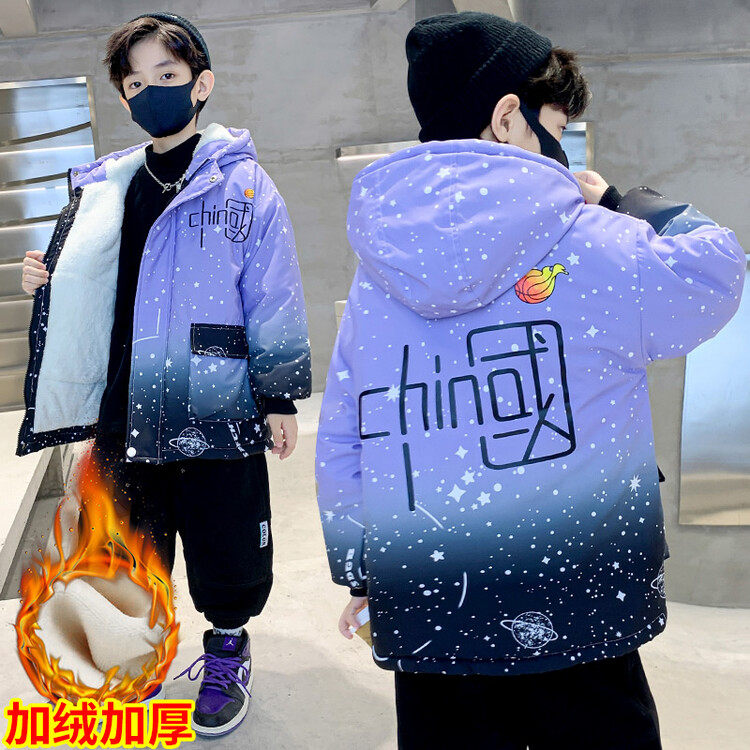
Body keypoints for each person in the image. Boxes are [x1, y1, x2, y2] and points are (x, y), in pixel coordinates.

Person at [315, 11, 745, 750]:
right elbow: (717, 268)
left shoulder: (379, 269)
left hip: (432, 599)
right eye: (558, 127)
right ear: (509, 116)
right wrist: (624, 202)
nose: (561, 149)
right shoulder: (599, 241)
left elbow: (349, 425)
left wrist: (363, 568)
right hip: (579, 592)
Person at [19, 12, 310, 737]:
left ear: (201, 84)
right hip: (127, 403)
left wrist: (278, 396)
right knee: (129, 541)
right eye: (135, 83)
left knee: (225, 538)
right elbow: (90, 287)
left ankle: (228, 648)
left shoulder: (245, 186)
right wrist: (46, 281)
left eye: (168, 76)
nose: (150, 92)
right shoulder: (107, 188)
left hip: (215, 399)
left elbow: (273, 293)